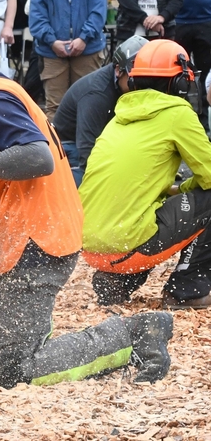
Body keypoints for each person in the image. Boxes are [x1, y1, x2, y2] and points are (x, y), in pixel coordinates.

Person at [0, 0, 173, 386]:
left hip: (39, 243)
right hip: (10, 236)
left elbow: (36, 157)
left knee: (15, 370)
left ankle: (137, 335)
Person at [80, 38, 211, 310]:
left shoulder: (118, 117)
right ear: (179, 83)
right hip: (130, 245)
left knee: (146, 211)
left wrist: (177, 190)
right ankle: (187, 289)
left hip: (93, 247)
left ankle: (117, 282)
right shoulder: (177, 114)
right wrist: (187, 188)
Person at [53, 35, 148, 186]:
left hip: (103, 138)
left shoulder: (123, 86)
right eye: (135, 80)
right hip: (69, 146)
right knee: (88, 178)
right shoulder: (96, 94)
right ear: (118, 70)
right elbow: (87, 149)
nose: (140, 87)